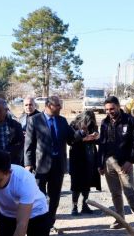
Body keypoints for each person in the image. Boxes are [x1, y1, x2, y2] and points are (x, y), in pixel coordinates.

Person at [24, 95, 97, 226]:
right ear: (48, 106)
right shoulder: (35, 120)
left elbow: (71, 139)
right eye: (57, 105)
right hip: (40, 166)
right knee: (38, 196)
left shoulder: (62, 121)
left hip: (58, 165)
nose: (60, 107)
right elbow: (29, 145)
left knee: (55, 196)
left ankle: (50, 221)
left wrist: (81, 133)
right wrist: (28, 164)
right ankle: (38, 222)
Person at [97, 96, 134, 230]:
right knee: (115, 193)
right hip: (108, 162)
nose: (109, 112)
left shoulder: (129, 121)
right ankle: (119, 219)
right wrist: (100, 164)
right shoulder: (105, 123)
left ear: (118, 106)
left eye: (112, 108)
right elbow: (102, 144)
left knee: (129, 191)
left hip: (124, 163)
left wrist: (131, 160)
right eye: (106, 109)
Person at [68, 110, 101, 216]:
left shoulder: (92, 125)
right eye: (87, 120)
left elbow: (97, 141)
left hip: (90, 157)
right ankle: (74, 206)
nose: (89, 123)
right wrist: (82, 137)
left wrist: (96, 136)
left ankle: (85, 204)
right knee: (76, 183)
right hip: (77, 158)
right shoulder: (73, 124)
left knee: (88, 182)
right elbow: (70, 140)